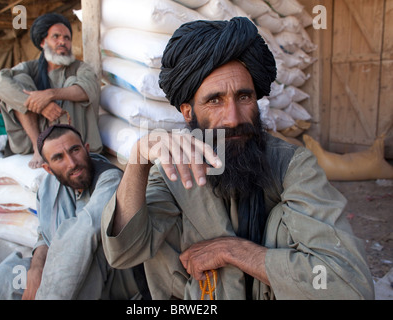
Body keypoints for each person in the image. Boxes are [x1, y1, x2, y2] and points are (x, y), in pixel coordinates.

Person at [101, 17, 374, 300]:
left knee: (283, 220)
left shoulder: (292, 166)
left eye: (243, 97)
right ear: (187, 112)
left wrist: (231, 250)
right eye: (215, 100)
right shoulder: (174, 173)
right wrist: (138, 160)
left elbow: (349, 286)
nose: (233, 119)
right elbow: (124, 252)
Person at [0, 124, 145, 300]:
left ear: (86, 149)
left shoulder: (110, 179)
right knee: (6, 276)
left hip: (106, 276)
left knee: (82, 270)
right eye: (59, 158)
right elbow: (43, 235)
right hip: (58, 266)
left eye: (75, 150)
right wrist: (37, 268)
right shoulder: (47, 187)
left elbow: (84, 232)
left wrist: (47, 291)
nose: (72, 163)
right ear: (48, 169)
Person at [0, 13, 102, 169]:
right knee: (19, 82)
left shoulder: (80, 68)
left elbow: (87, 90)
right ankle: (39, 148)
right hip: (35, 137)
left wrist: (49, 95)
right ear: (43, 42)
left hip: (78, 138)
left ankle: (69, 149)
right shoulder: (30, 67)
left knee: (72, 85)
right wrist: (41, 105)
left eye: (67, 38)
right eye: (56, 37)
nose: (62, 41)